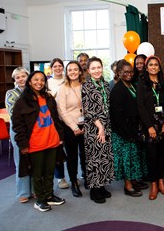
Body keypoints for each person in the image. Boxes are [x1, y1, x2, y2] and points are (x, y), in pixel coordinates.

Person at [12, 71, 66, 212]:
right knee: (38, 174)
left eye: (42, 80)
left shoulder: (48, 98)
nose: (39, 82)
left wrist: (60, 137)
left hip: (52, 141)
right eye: (36, 79)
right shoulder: (22, 102)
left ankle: (49, 195)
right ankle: (40, 200)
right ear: (30, 82)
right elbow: (18, 126)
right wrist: (23, 144)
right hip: (35, 144)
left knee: (49, 171)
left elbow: (56, 118)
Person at [137, 56, 164, 200]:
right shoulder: (141, 84)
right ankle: (154, 185)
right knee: (151, 156)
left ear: (159, 67)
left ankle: (161, 182)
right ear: (146, 67)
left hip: (163, 125)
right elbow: (141, 107)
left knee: (160, 156)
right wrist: (150, 127)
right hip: (149, 126)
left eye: (156, 65)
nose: (153, 67)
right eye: (150, 65)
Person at [82, 57, 115, 204]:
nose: (97, 70)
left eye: (99, 67)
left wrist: (106, 126)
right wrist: (100, 127)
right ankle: (94, 190)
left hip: (107, 126)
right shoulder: (86, 86)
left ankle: (101, 186)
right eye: (93, 68)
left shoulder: (105, 84)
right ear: (88, 71)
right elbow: (88, 110)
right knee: (94, 158)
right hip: (94, 128)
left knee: (105, 157)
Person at [109, 60, 144, 198]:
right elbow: (117, 116)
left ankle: (134, 181)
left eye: (131, 72)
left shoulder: (131, 85)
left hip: (132, 129)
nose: (129, 74)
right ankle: (128, 186)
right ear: (119, 73)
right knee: (126, 160)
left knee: (133, 158)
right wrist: (127, 133)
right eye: (125, 72)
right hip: (122, 133)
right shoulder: (118, 90)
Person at [56, 61, 87, 197]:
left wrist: (87, 124)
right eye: (70, 70)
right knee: (72, 156)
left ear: (80, 71)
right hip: (70, 127)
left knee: (86, 155)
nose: (73, 72)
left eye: (76, 69)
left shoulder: (85, 86)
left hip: (86, 126)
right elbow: (62, 111)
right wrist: (74, 127)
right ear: (66, 73)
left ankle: (87, 177)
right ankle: (74, 182)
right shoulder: (63, 89)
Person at [5, 67, 32, 203]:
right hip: (19, 131)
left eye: (23, 76)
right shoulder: (11, 94)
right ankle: (23, 192)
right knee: (21, 161)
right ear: (15, 80)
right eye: (17, 77)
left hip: (34, 131)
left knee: (34, 160)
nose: (21, 79)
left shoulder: (33, 92)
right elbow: (14, 115)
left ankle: (34, 189)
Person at [47, 58, 69, 190]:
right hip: (55, 120)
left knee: (71, 150)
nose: (58, 68)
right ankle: (60, 178)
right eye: (55, 66)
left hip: (69, 119)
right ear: (51, 68)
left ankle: (74, 175)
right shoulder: (47, 83)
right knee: (58, 150)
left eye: (60, 66)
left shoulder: (68, 80)